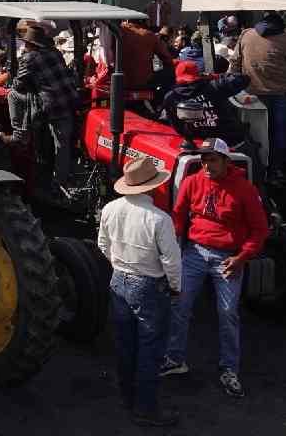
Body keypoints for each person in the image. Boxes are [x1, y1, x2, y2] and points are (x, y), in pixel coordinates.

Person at [161, 138, 269, 398]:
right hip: (195, 252)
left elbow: (260, 229)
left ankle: (229, 369)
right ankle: (175, 359)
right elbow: (178, 213)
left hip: (228, 258)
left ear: (225, 161)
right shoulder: (192, 181)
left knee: (228, 312)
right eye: (204, 160)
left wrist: (242, 257)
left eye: (212, 159)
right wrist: (175, 243)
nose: (207, 165)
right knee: (180, 305)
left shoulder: (243, 189)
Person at [97, 157, 182, 427]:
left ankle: (128, 397)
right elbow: (171, 260)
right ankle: (145, 408)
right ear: (153, 186)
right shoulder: (159, 219)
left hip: (119, 280)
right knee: (150, 349)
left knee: (125, 344)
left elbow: (102, 245)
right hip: (148, 285)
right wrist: (175, 287)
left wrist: (119, 264)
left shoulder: (110, 209)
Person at [5, 23, 79, 196]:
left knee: (12, 95)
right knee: (64, 143)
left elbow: (18, 84)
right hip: (70, 99)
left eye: (26, 43)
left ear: (31, 45)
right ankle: (62, 177)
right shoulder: (56, 53)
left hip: (53, 104)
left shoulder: (29, 58)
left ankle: (19, 134)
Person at [234, 12, 286, 171]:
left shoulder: (246, 35)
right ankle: (277, 168)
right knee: (281, 130)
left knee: (257, 131)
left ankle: (258, 165)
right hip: (283, 92)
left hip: (253, 91)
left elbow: (235, 61)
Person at [162, 61, 250, 146]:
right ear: (199, 75)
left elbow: (176, 127)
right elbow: (244, 78)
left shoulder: (170, 97)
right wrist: (214, 76)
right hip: (230, 143)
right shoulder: (215, 86)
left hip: (198, 145)